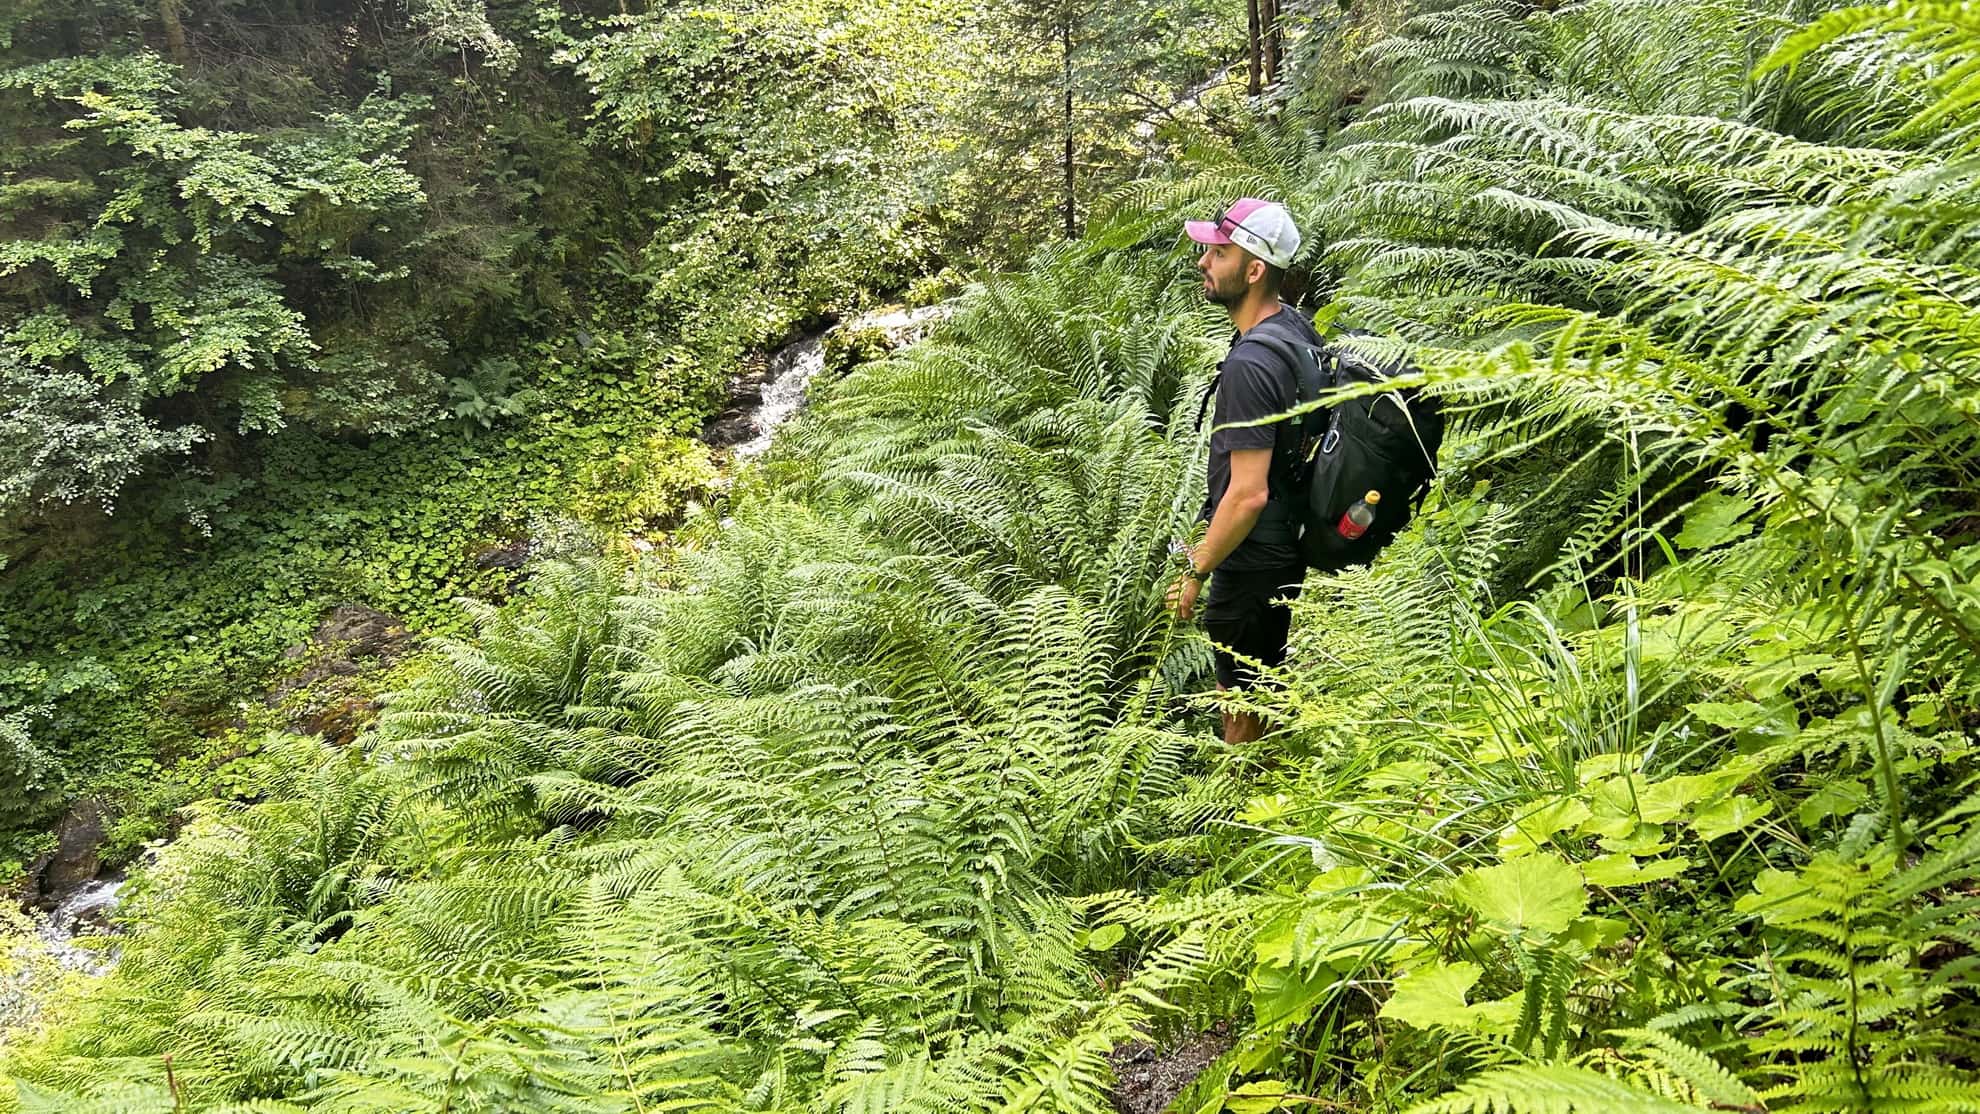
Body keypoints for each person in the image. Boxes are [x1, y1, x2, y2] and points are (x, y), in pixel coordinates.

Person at [1166, 198, 1322, 745]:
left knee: (1242, 704)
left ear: (1254, 270)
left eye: (1218, 251)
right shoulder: (1295, 331)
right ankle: (1274, 797)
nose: (1203, 260)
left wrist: (1197, 569)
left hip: (1253, 554)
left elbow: (1247, 493)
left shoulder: (1251, 363)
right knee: (1266, 686)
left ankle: (1241, 812)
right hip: (1286, 539)